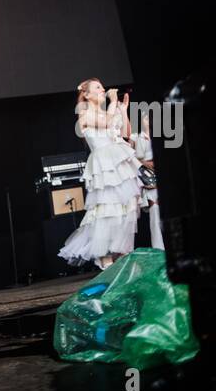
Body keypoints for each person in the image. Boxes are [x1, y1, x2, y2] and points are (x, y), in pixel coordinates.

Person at [58, 77, 142, 272]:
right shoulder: (85, 115)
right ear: (86, 94)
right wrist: (113, 104)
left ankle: (122, 253)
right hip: (104, 165)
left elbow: (127, 134)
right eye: (98, 87)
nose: (103, 90)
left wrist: (122, 109)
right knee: (106, 210)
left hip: (119, 163)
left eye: (103, 87)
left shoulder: (108, 112)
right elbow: (106, 123)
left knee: (127, 208)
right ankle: (105, 258)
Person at [127, 112, 164, 250]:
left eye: (151, 117)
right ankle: (159, 249)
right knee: (155, 212)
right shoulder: (136, 137)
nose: (148, 120)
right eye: (146, 117)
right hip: (148, 179)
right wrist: (144, 162)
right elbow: (129, 157)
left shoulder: (161, 135)